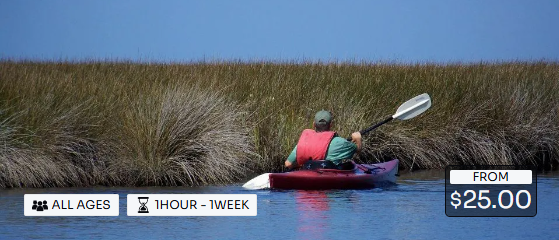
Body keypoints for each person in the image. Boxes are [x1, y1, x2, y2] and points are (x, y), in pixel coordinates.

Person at [285, 110, 362, 170]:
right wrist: (358, 138)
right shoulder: (340, 142)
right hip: (331, 182)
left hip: (308, 175)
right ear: (331, 125)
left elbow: (288, 164)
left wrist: (307, 164)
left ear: (314, 124)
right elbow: (357, 150)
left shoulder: (304, 143)